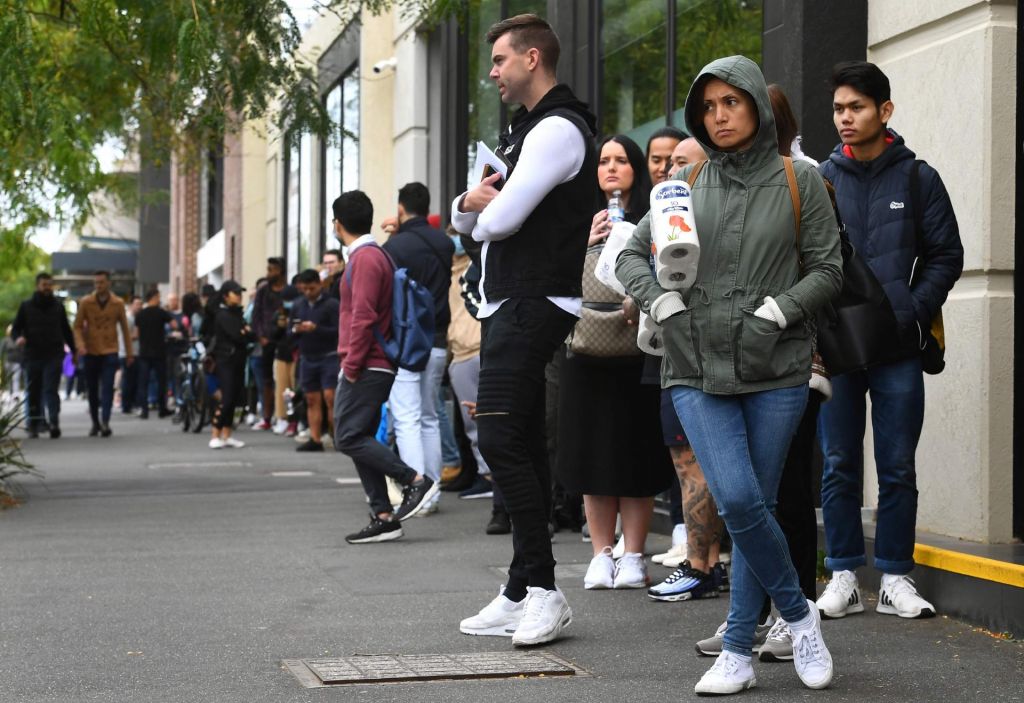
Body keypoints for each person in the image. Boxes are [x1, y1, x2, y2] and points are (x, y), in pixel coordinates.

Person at [617, 55, 842, 694]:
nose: (719, 116)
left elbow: (829, 268)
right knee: (739, 500)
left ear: (756, 106)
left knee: (756, 509)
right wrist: (659, 301)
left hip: (777, 367)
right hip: (693, 365)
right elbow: (630, 255)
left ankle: (738, 651)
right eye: (708, 107)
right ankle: (801, 616)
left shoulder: (802, 179)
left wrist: (780, 310)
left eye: (730, 103)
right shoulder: (681, 184)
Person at [451, 14, 596, 647]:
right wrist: (470, 210)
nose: (492, 73)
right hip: (514, 298)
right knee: (522, 439)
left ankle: (543, 589)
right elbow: (471, 212)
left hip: (537, 298)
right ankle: (520, 588)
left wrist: (476, 214)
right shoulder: (525, 131)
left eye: (501, 61)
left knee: (501, 435)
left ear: (532, 58)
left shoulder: (559, 128)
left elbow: (499, 219)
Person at [816, 61, 963, 621]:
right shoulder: (820, 178)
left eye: (856, 107)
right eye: (838, 109)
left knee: (898, 464)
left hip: (900, 345)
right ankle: (845, 574)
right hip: (841, 345)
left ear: (885, 111)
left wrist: (911, 309)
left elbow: (947, 255)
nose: (845, 118)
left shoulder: (918, 177)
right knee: (838, 462)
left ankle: (896, 577)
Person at [557, 133, 673, 591]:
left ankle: (634, 554)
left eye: (621, 160)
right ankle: (601, 554)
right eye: (603, 161)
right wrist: (583, 239)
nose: (611, 169)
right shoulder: (576, 219)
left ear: (636, 169)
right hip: (585, 350)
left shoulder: (654, 216)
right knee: (593, 455)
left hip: (637, 350)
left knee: (635, 454)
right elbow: (551, 273)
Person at [331, 190, 438, 543]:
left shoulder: (364, 259)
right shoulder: (375, 255)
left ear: (337, 223)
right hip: (376, 361)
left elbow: (363, 316)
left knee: (346, 435)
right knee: (358, 435)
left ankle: (413, 480)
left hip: (368, 362)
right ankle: (383, 515)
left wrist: (351, 364)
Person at [382, 182, 455, 514]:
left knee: (407, 416)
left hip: (407, 341)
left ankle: (417, 492)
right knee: (428, 417)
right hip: (439, 336)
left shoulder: (396, 246)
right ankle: (433, 492)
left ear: (401, 208)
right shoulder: (443, 242)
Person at [11, 273, 75, 438]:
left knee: (50, 389)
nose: (47, 288)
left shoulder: (58, 307)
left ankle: (54, 422)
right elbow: (16, 328)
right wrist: (18, 338)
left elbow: (66, 331)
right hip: (32, 355)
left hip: (53, 354)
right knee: (33, 390)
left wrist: (74, 351)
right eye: (44, 284)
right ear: (37, 286)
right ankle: (34, 423)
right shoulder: (26, 306)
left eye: (49, 284)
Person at [74, 271, 133, 437]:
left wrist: (129, 353)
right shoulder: (86, 302)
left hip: (110, 349)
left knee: (108, 387)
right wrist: (81, 345)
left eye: (101, 282)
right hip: (91, 350)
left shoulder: (118, 303)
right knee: (92, 389)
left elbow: (125, 330)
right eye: (96, 283)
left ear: (108, 283)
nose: (98, 286)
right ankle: (95, 422)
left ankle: (105, 422)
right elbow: (77, 326)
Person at [289, 269, 340, 452]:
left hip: (329, 356)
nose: (308, 292)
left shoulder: (332, 304)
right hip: (307, 357)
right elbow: (290, 331)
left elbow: (339, 331)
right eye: (304, 289)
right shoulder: (298, 305)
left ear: (319, 284)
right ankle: (315, 438)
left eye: (311, 288)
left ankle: (337, 437)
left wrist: (316, 328)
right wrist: (297, 330)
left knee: (330, 397)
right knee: (311, 398)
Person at [250, 258, 295, 431]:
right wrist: (261, 336)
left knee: (287, 382)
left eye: (273, 269)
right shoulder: (263, 291)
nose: (269, 272)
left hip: (286, 342)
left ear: (281, 271)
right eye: (268, 269)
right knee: (267, 381)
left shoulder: (289, 292)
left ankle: (288, 418)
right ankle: (268, 417)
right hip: (267, 342)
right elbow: (256, 315)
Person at [209, 280, 252, 449]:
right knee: (226, 397)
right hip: (225, 359)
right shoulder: (222, 314)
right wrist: (244, 332)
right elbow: (237, 334)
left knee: (235, 397)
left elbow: (250, 334)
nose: (239, 296)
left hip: (238, 358)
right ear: (226, 296)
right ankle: (215, 433)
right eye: (236, 293)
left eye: (240, 293)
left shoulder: (237, 313)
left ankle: (226, 435)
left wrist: (245, 332)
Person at [134, 289, 176, 419]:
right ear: (154, 297)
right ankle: (162, 409)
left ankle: (144, 410)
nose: (159, 299)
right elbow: (174, 325)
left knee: (143, 382)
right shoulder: (161, 312)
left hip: (144, 352)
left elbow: (136, 334)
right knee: (161, 381)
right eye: (158, 297)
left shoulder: (140, 314)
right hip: (159, 352)